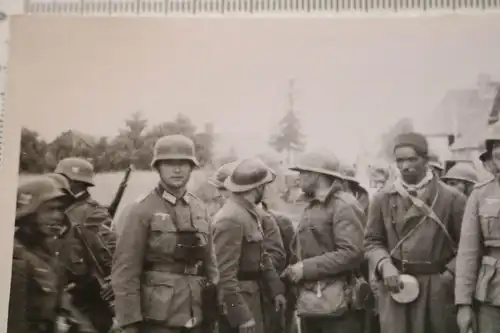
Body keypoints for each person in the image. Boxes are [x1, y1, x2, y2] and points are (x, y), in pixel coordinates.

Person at [111, 134, 219, 333]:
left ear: (191, 167)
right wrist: (129, 322)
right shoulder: (141, 209)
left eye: (183, 163)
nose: (177, 170)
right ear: (158, 167)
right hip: (158, 316)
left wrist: (216, 303)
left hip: (197, 310)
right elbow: (125, 270)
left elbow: (211, 262)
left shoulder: (199, 207)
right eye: (169, 163)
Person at [364, 132, 467, 333]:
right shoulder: (382, 198)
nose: (405, 166)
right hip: (396, 286)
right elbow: (372, 241)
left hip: (435, 290)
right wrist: (384, 265)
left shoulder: (451, 198)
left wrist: (446, 278)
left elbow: (468, 246)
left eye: (412, 159)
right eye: (399, 160)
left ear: (426, 160)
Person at [282, 151, 366, 333]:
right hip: (314, 301)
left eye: (302, 173)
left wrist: (305, 268)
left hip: (339, 305)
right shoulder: (314, 204)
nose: (299, 178)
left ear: (316, 174)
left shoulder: (344, 205)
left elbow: (352, 253)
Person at [210, 160, 295, 333]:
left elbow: (262, 256)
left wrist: (276, 290)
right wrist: (240, 315)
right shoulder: (230, 219)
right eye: (265, 186)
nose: (266, 190)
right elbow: (224, 273)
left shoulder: (247, 213)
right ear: (257, 188)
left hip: (253, 297)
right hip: (242, 301)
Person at [8, 176, 78, 333]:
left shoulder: (47, 254)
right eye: (50, 209)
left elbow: (63, 307)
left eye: (60, 209)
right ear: (28, 214)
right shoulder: (14, 259)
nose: (58, 216)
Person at [54, 157, 117, 333]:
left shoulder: (93, 213)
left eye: (61, 179)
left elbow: (111, 252)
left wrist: (114, 280)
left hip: (89, 297)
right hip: (64, 293)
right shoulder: (61, 208)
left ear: (75, 183)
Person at [455, 128, 500, 333]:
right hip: (492, 295)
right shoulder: (480, 195)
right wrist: (463, 305)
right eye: (497, 153)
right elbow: (468, 254)